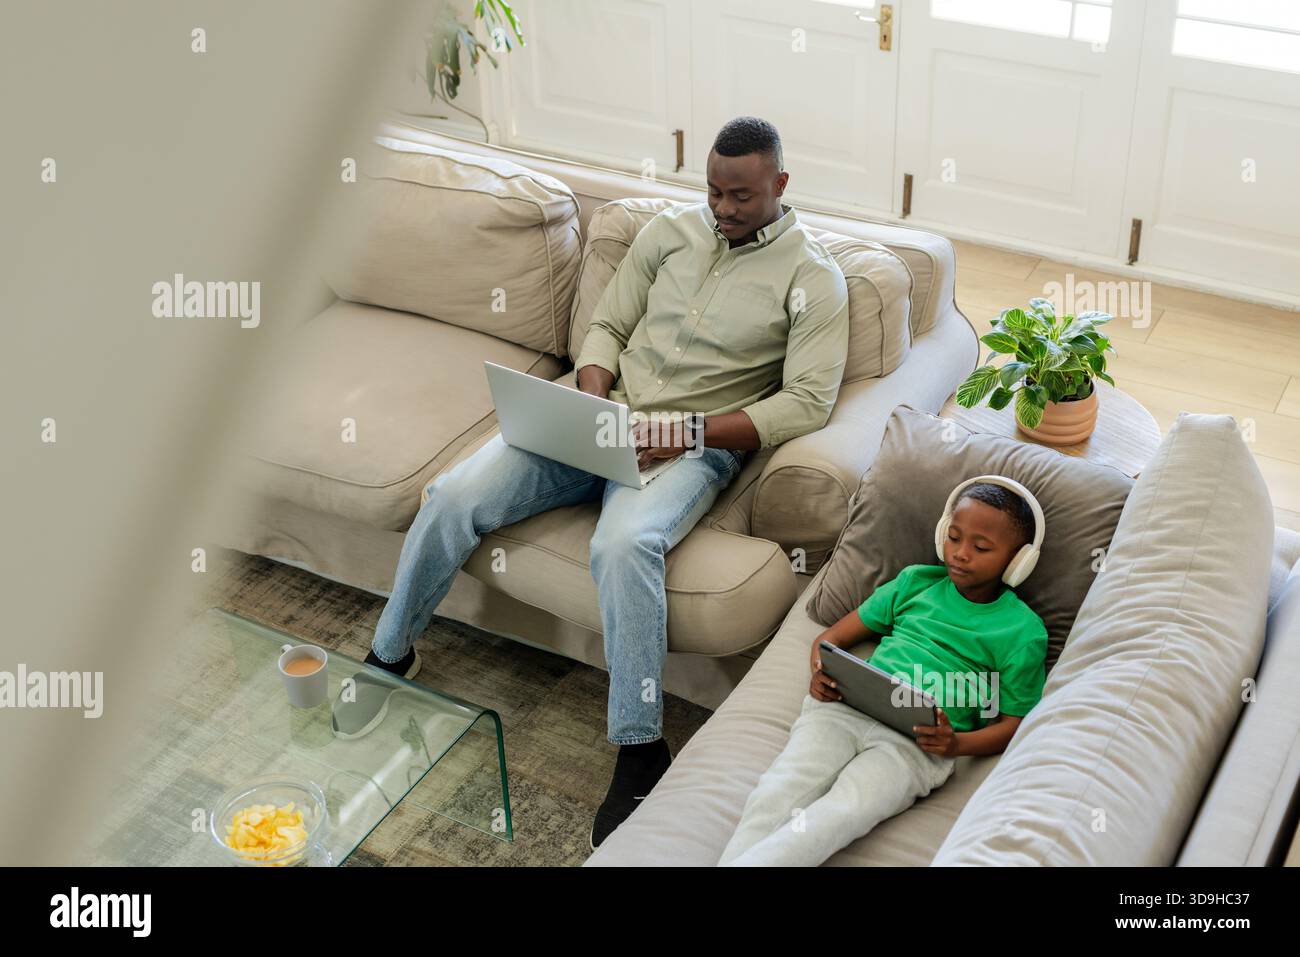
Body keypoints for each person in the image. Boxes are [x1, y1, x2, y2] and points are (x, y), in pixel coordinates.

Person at [332, 116, 851, 849]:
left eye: (741, 195)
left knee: (624, 544)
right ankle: (391, 652)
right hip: (597, 420)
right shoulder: (670, 233)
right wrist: (595, 394)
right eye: (713, 191)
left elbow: (806, 402)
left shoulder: (814, 278)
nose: (724, 208)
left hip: (691, 449)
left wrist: (686, 432)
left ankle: (640, 745)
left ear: (780, 185)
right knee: (451, 494)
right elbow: (606, 326)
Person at [719, 479, 1048, 866]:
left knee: (843, 811)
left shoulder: (1023, 632)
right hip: (846, 708)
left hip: (916, 747)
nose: (959, 554)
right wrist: (820, 672)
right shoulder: (914, 582)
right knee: (777, 794)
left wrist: (957, 746)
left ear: (1018, 561)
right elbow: (830, 640)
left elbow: (1014, 723)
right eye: (954, 537)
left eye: (980, 548)